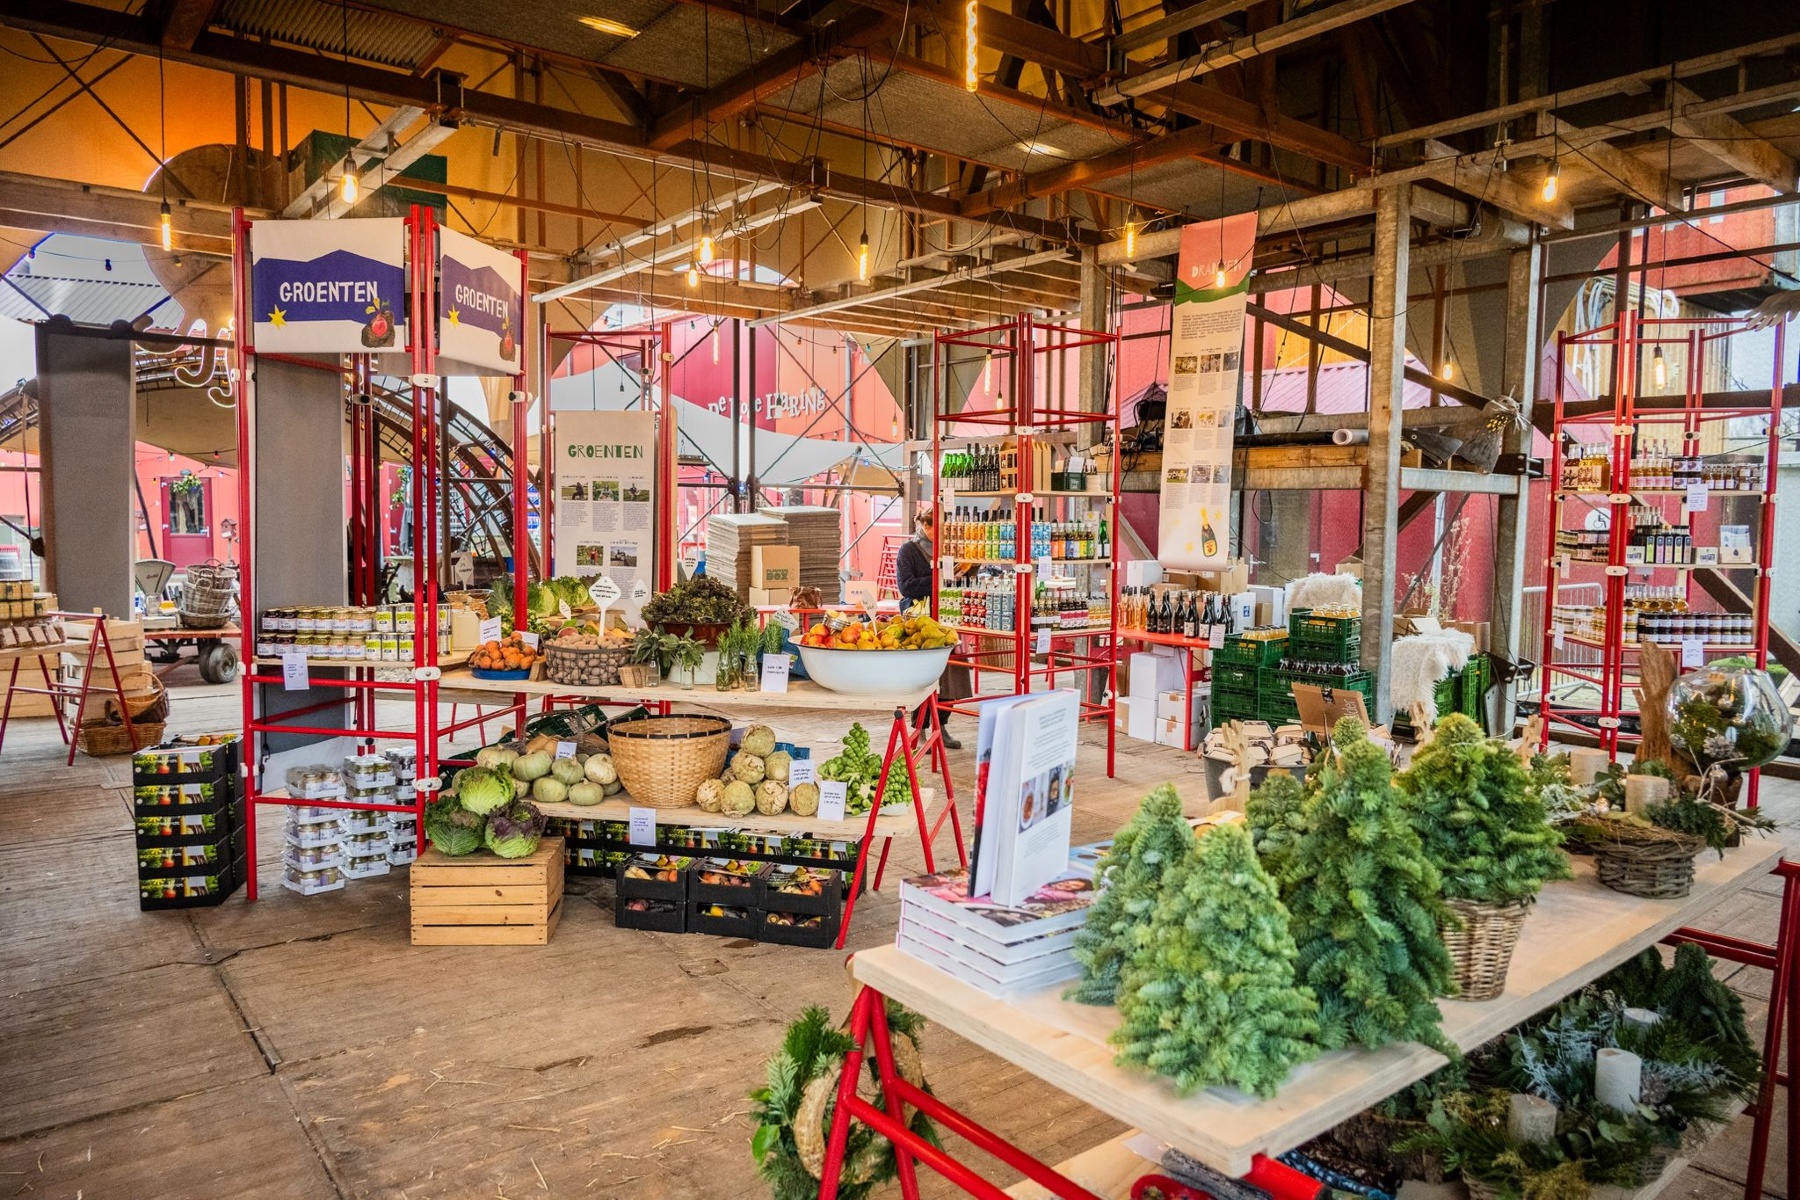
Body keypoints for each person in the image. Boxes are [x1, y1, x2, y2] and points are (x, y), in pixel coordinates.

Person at [896, 508, 970, 749]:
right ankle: (921, 727)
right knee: (925, 676)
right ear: (926, 526)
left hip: (948, 617)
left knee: (953, 675)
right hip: (920, 621)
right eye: (939, 528)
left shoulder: (949, 549)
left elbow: (960, 579)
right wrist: (938, 576)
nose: (944, 534)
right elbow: (906, 587)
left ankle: (943, 723)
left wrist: (967, 569)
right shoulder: (908, 551)